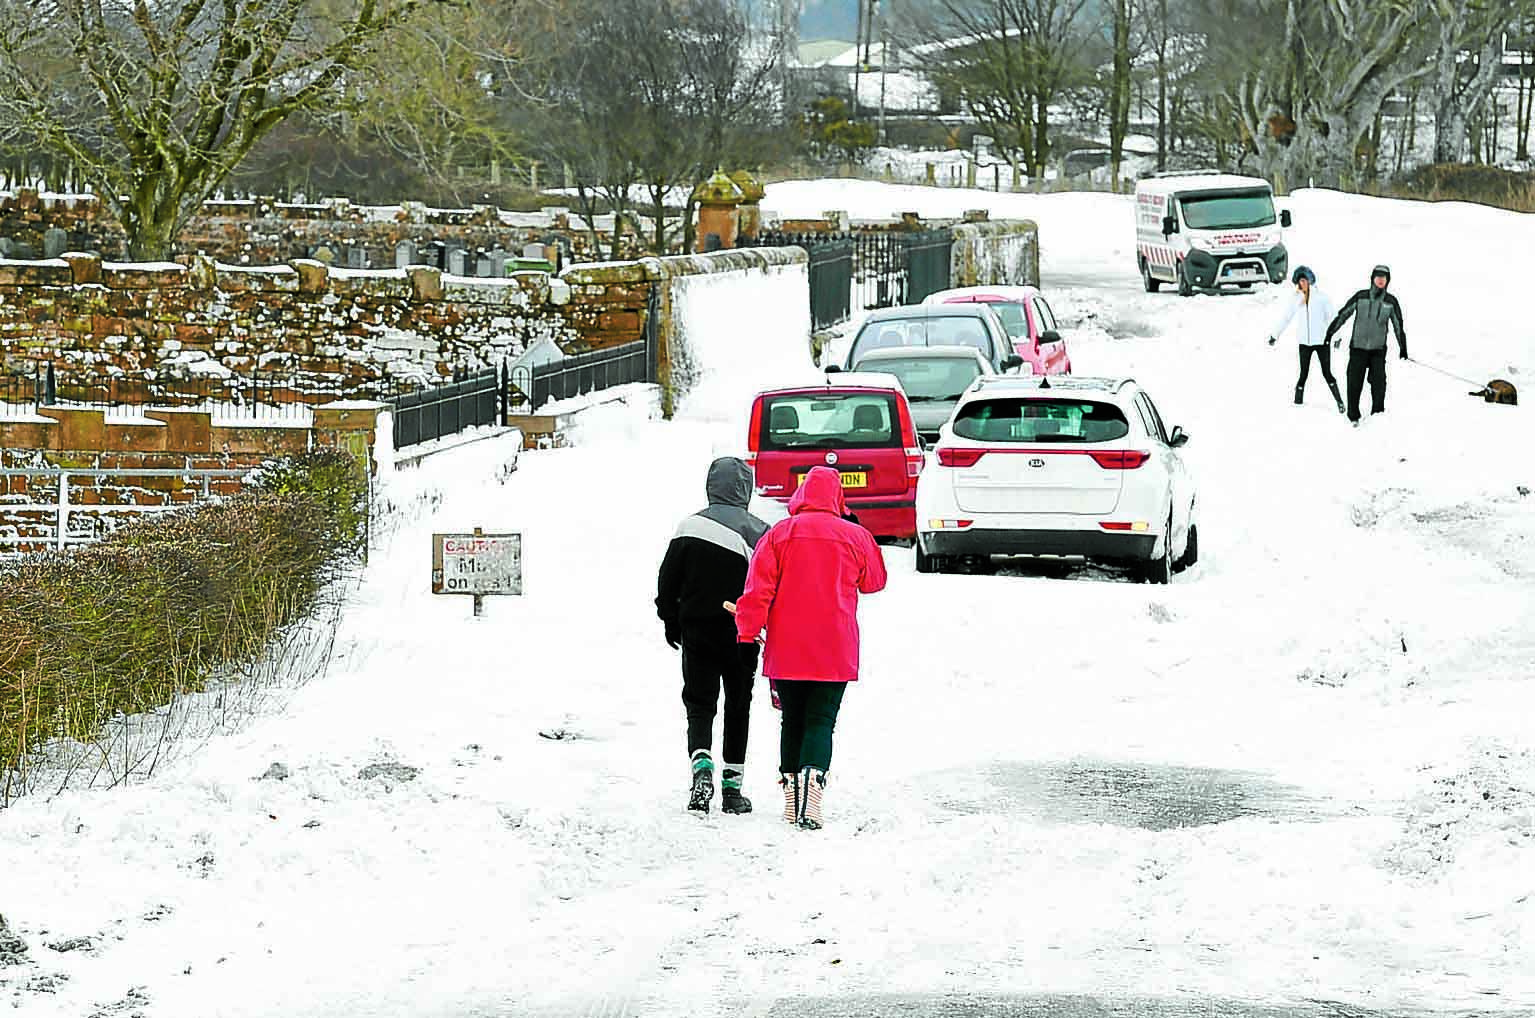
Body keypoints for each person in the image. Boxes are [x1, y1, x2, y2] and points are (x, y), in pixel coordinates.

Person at [733, 466, 887, 830]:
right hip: (835, 649)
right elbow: (875, 582)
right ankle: (813, 790)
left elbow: (757, 593)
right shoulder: (855, 535)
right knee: (821, 721)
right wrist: (853, 526)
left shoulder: (778, 536)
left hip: (787, 648)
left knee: (792, 720)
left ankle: (790, 796)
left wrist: (746, 633)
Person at [656, 457, 768, 814]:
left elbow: (667, 581)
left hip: (697, 631)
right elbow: (768, 587)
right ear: (745, 489)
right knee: (738, 705)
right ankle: (733, 790)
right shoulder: (761, 532)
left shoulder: (689, 528)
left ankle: (701, 765)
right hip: (742, 635)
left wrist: (671, 622)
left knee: (700, 704)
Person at [1325, 264, 1408, 427]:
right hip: (1358, 349)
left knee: (1379, 383)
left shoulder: (1391, 301)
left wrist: (1403, 347)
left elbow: (1398, 325)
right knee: (1354, 382)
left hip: (1378, 351)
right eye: (1378, 277)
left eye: (1384, 278)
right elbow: (1343, 314)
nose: (1381, 280)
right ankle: (1353, 416)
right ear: (1372, 279)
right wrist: (1330, 333)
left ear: (1387, 281)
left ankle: (1377, 416)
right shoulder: (1360, 296)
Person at [1267, 265, 1344, 413]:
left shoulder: (1322, 298)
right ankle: (1297, 405)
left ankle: (1340, 402)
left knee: (1327, 373)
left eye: (1304, 280)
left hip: (1322, 342)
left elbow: (1333, 319)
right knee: (1303, 374)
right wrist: (1275, 335)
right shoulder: (1296, 299)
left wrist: (1337, 337)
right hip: (1304, 343)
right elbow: (1286, 318)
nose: (1302, 284)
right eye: (1300, 281)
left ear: (1310, 281)